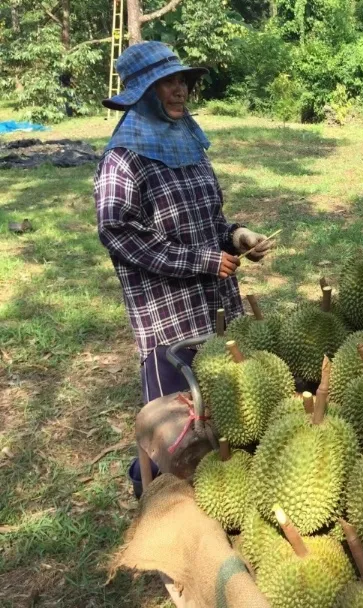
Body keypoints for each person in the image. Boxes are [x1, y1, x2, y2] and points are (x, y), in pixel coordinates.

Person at [94, 41, 274, 406]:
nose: (180, 90)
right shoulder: (122, 160)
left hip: (217, 309)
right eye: (166, 82)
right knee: (176, 430)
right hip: (171, 323)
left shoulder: (188, 146)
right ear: (142, 94)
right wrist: (203, 261)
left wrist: (236, 237)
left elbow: (210, 221)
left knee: (224, 419)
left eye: (182, 80)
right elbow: (120, 233)